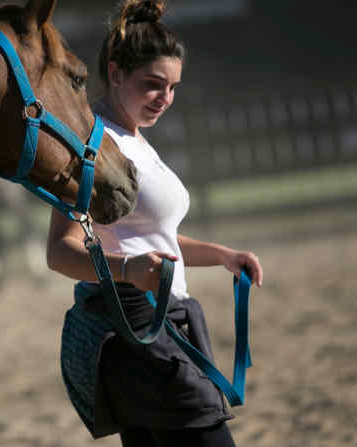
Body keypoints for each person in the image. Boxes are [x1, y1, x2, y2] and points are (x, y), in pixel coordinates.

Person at [46, 1, 264, 446]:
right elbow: (60, 249)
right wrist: (128, 271)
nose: (165, 98)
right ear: (116, 72)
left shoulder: (135, 140)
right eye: (153, 85)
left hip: (158, 327)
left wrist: (224, 256)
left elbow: (153, 238)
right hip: (137, 326)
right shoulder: (96, 144)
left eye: (173, 87)